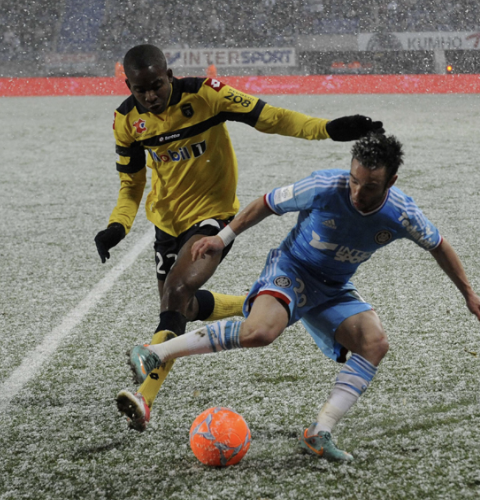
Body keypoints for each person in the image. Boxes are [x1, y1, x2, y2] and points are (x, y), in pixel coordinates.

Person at [116, 132, 480, 460]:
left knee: (374, 343)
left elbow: (439, 246)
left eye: (371, 186)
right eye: (354, 180)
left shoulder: (403, 215)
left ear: (392, 181)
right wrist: (222, 237)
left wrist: (469, 295)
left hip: (334, 288)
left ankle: (319, 433)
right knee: (260, 333)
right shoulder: (324, 187)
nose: (358, 193)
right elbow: (266, 202)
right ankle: (155, 352)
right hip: (291, 270)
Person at [95, 44, 386, 429]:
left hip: (212, 216)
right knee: (185, 309)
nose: (150, 96)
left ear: (171, 74)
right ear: (127, 84)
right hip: (166, 222)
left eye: (157, 86)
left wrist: (327, 129)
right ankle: (265, 304)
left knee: (176, 295)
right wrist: (119, 224)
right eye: (139, 89)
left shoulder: (208, 94)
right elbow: (131, 184)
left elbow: (272, 118)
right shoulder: (126, 120)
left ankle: (145, 396)